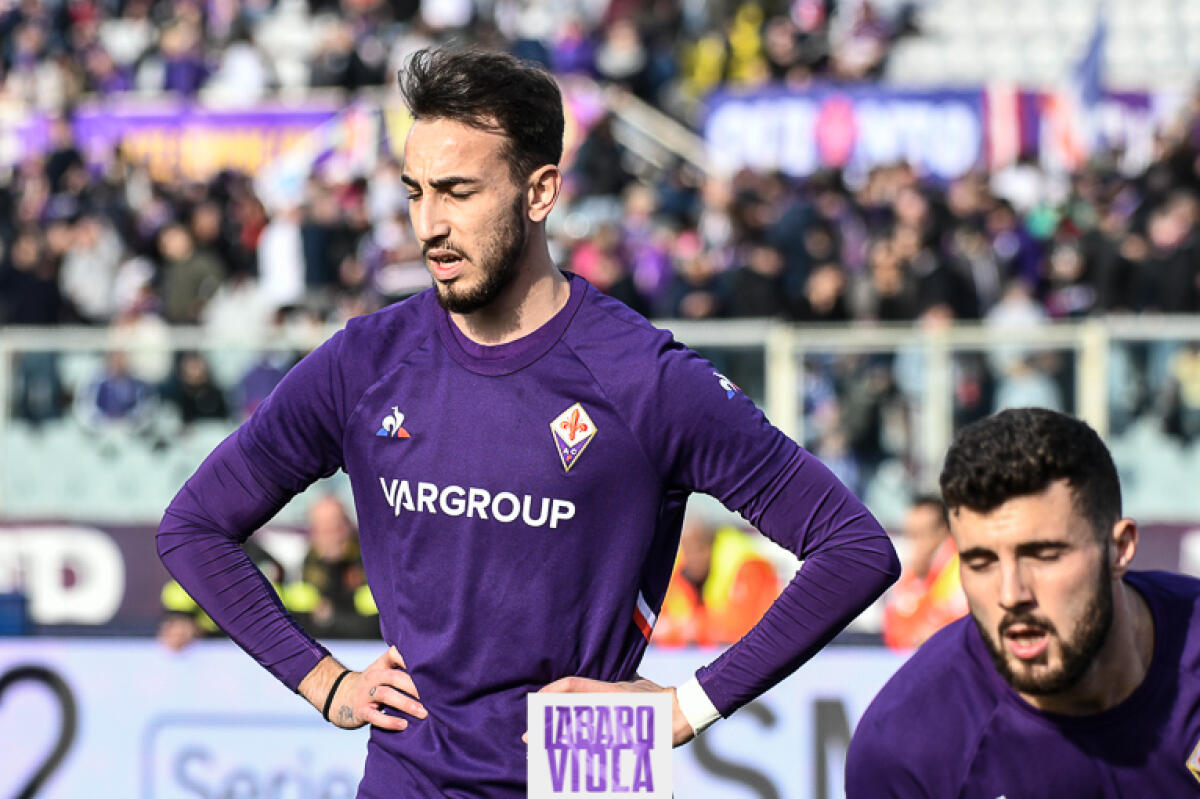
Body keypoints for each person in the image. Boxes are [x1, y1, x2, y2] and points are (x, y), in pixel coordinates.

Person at [158, 47, 899, 797]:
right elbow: (192, 526)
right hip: (410, 779)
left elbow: (855, 548)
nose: (429, 225)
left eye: (457, 191)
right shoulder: (366, 361)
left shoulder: (644, 376)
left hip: (590, 768)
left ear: (540, 191)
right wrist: (322, 680)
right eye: (415, 192)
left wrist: (686, 707)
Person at [846, 407, 1200, 796]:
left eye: (1043, 556)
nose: (1011, 595)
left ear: (1119, 549)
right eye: (981, 563)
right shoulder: (907, 750)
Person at [654, 514, 780, 647]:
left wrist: (690, 628)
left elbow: (742, 630)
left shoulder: (747, 567)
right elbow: (661, 621)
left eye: (699, 548)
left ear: (712, 545)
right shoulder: (682, 566)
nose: (692, 558)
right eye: (687, 549)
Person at [881, 494, 967, 650]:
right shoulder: (911, 576)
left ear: (944, 533)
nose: (914, 544)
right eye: (909, 535)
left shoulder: (963, 571)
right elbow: (894, 632)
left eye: (921, 535)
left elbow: (961, 627)